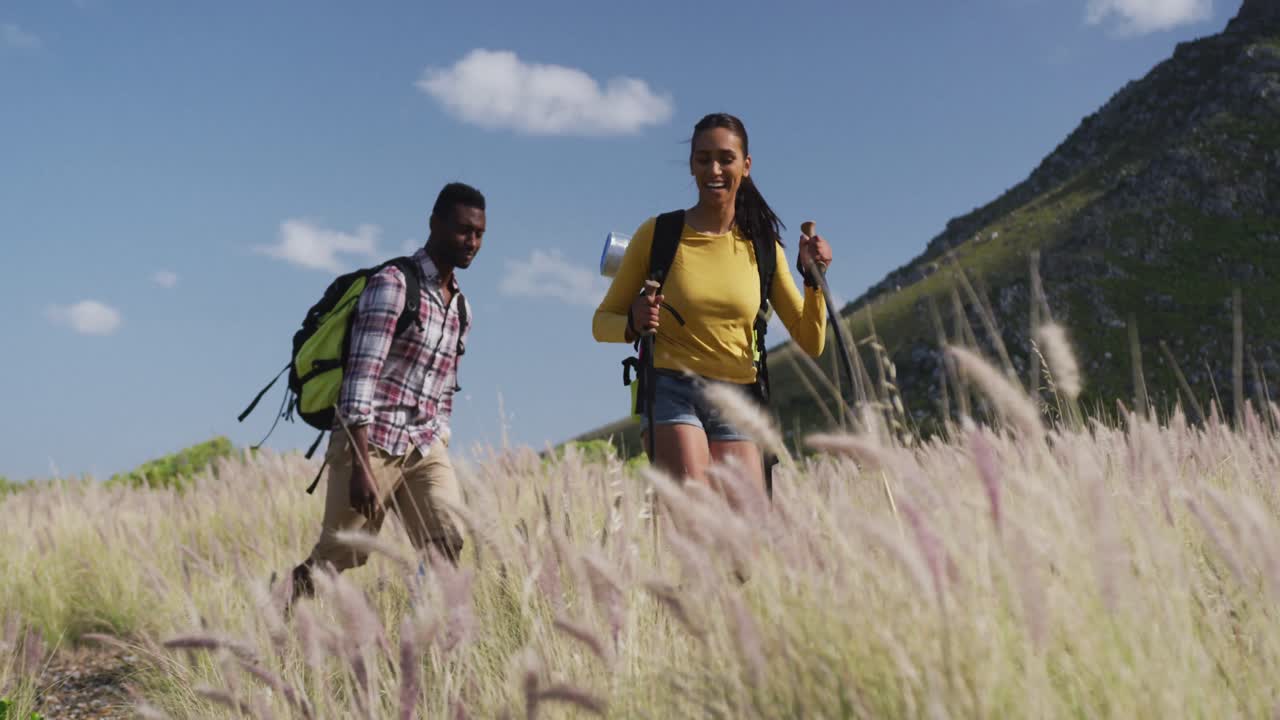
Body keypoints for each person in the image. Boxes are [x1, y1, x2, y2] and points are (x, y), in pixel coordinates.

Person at [592, 113, 832, 493]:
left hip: (739, 396)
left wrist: (813, 280)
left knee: (745, 536)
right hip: (671, 390)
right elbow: (601, 322)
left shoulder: (765, 247)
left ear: (746, 166)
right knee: (696, 514)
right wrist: (632, 322)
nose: (714, 169)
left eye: (726, 158)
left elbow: (811, 340)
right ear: (691, 164)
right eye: (703, 159)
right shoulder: (658, 234)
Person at [290, 182, 484, 600]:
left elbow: (446, 385)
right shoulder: (394, 285)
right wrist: (361, 464)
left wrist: (441, 435)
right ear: (434, 224)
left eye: (479, 234)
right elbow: (360, 376)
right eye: (463, 230)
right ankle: (283, 606)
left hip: (424, 447)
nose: (472, 242)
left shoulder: (462, 309)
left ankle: (419, 642)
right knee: (339, 557)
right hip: (371, 442)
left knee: (447, 540)